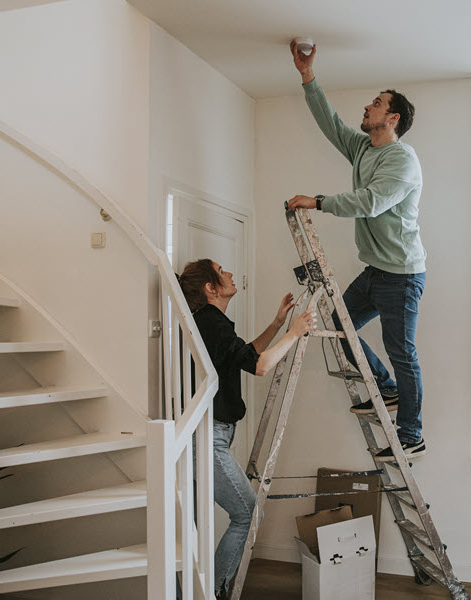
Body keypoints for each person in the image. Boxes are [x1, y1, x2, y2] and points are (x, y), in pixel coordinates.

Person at [286, 40, 427, 462]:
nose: (368, 107)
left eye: (376, 103)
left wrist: (319, 200)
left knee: (403, 351)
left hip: (402, 274)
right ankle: (382, 387)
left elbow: (370, 201)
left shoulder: (402, 161)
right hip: (375, 271)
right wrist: (308, 76)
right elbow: (329, 123)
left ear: (393, 117)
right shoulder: (363, 147)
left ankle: (412, 434)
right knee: (338, 326)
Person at [178, 258, 315, 599]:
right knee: (248, 512)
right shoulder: (211, 322)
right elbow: (261, 366)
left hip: (210, 434)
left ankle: (196, 591)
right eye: (221, 271)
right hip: (206, 439)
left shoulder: (211, 322)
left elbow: (244, 354)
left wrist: (278, 324)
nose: (229, 273)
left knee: (196, 523)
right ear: (211, 288)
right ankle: (211, 591)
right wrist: (294, 334)